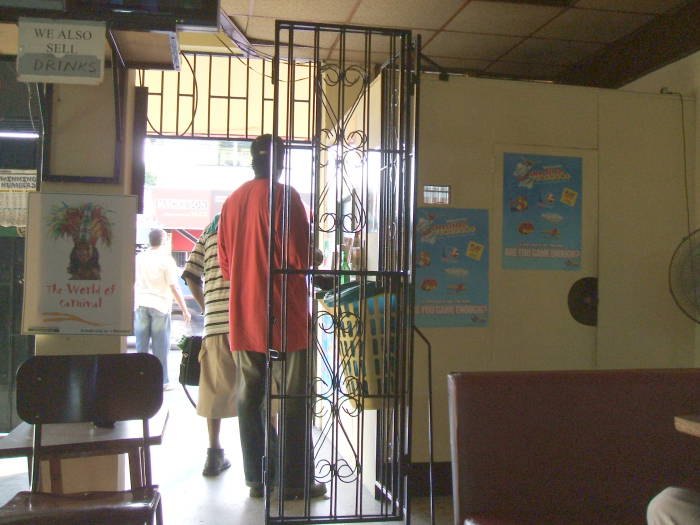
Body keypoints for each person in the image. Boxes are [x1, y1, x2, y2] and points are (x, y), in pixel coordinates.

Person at [218, 134, 326, 500]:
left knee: (249, 397)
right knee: (293, 397)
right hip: (286, 313)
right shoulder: (287, 196)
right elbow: (298, 257)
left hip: (245, 314)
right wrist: (318, 257)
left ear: (253, 160)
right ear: (281, 162)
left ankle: (258, 478)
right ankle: (296, 481)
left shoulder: (232, 202)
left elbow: (226, 265)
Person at [182, 215, 238, 476]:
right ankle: (266, 451)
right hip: (249, 322)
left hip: (215, 322)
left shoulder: (208, 231)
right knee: (262, 390)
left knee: (215, 389)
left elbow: (190, 274)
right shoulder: (251, 226)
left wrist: (206, 307)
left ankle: (213, 455)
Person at [134, 228, 191, 389]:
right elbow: (174, 286)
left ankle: (139, 379)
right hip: (160, 305)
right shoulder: (167, 260)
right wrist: (184, 309)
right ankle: (162, 381)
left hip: (141, 304)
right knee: (161, 347)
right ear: (164, 240)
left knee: (141, 347)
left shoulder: (139, 258)